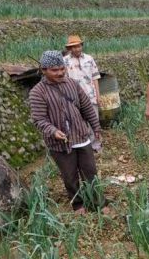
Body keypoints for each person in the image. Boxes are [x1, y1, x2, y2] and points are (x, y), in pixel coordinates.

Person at [29, 50, 109, 215]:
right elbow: (39, 119)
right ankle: (78, 204)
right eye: (54, 70)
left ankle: (99, 202)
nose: (59, 73)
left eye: (61, 69)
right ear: (43, 70)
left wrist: (96, 127)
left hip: (81, 135)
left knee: (90, 172)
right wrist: (53, 131)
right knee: (70, 176)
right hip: (60, 142)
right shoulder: (38, 92)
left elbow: (86, 107)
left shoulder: (72, 84)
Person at [63, 35, 102, 152]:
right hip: (74, 98)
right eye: (73, 47)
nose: (77, 49)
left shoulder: (89, 59)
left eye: (78, 46)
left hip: (90, 95)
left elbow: (95, 77)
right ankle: (85, 145)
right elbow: (64, 80)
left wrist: (98, 96)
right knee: (78, 122)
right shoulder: (65, 61)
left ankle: (96, 144)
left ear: (81, 46)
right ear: (70, 48)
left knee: (94, 120)